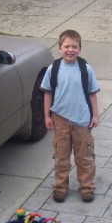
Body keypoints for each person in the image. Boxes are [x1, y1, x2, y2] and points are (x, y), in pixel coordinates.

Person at [41, 30, 100, 203]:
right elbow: (48, 94)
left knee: (85, 157)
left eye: (75, 46)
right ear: (59, 48)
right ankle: (60, 187)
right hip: (60, 119)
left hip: (82, 120)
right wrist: (47, 116)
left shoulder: (85, 69)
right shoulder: (54, 69)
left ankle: (87, 187)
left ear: (80, 49)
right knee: (61, 156)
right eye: (66, 46)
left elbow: (92, 94)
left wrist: (95, 115)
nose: (70, 50)